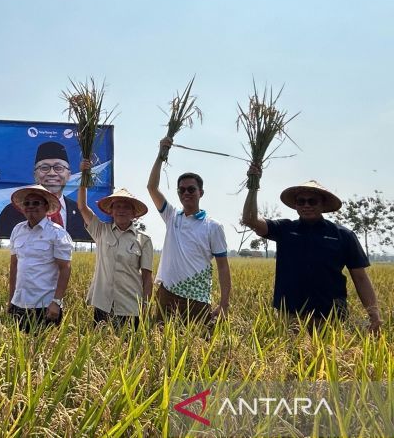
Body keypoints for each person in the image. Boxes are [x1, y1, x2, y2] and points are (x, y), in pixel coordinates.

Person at [242, 167, 382, 333]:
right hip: (291, 314)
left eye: (312, 201)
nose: (306, 205)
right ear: (296, 205)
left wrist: (374, 314)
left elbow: (360, 278)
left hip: (330, 314)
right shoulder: (285, 229)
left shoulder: (343, 235)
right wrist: (253, 185)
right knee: (290, 357)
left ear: (323, 204)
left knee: (328, 358)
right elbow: (250, 219)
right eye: (301, 201)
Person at [147, 137, 231, 322]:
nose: (186, 193)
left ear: (201, 193)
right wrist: (162, 154)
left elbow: (223, 266)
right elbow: (152, 187)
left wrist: (224, 303)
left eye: (191, 189)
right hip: (167, 294)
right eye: (181, 190)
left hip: (197, 298)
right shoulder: (171, 216)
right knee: (162, 345)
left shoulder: (213, 226)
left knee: (196, 346)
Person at [79, 159, 154, 328]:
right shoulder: (101, 231)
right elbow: (83, 207)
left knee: (128, 351)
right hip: (102, 304)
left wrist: (146, 305)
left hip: (130, 306)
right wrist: (84, 177)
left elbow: (147, 278)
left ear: (134, 213)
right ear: (111, 211)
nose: (121, 210)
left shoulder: (144, 240)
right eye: (117, 206)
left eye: (126, 207)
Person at [7, 184, 74, 331]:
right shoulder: (17, 230)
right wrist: (11, 299)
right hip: (19, 303)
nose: (31, 206)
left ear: (46, 207)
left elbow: (65, 268)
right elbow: (14, 266)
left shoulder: (57, 233)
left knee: (45, 352)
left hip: (45, 306)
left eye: (36, 203)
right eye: (27, 203)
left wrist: (56, 302)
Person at [0, 141, 89, 240]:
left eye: (58, 168)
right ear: (35, 175)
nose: (52, 173)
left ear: (69, 175)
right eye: (44, 168)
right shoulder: (11, 213)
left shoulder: (80, 213)